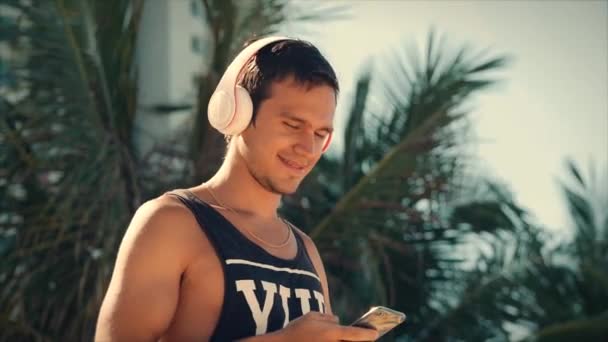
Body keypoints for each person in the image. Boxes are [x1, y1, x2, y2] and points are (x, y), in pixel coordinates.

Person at [95, 36, 379, 342]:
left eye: (321, 133)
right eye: (292, 125)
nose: (307, 148)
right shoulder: (171, 223)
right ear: (238, 113)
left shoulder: (306, 250)